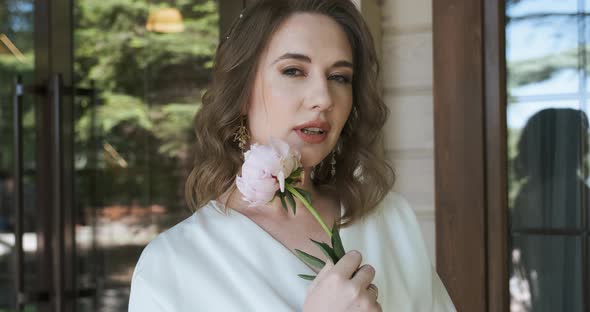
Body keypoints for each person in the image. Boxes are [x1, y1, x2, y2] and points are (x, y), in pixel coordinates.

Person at [128, 0, 456, 311]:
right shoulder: (174, 263)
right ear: (241, 92)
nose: (323, 98)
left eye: (339, 77)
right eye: (294, 71)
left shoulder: (391, 220)